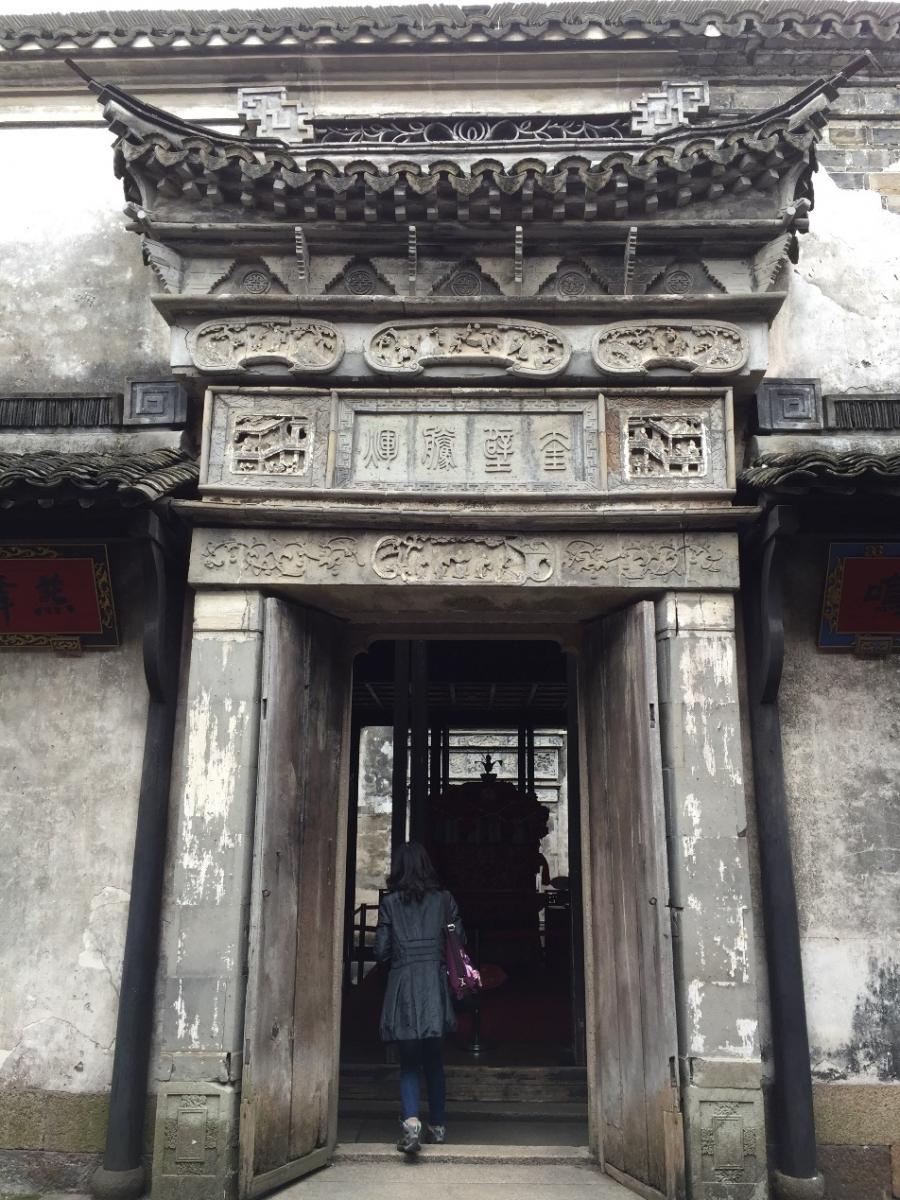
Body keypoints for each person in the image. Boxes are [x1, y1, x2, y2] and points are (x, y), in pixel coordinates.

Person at [374, 841, 464, 1155]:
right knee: (434, 1061)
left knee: (409, 1062)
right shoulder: (444, 900)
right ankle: (437, 1127)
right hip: (434, 986)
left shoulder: (390, 904)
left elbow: (381, 951)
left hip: (403, 985)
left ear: (398, 868)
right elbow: (459, 941)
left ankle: (411, 1123)